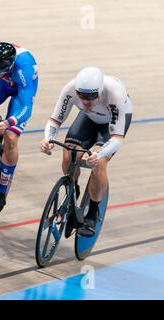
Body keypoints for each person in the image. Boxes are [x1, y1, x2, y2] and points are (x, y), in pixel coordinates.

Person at [40, 67, 133, 237]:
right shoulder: (70, 89)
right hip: (89, 118)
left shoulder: (115, 95)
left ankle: (93, 212)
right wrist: (48, 139)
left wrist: (97, 154)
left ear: (100, 92)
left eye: (90, 97)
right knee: (69, 154)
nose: (85, 102)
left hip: (112, 125)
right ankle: (72, 192)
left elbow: (117, 138)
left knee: (98, 164)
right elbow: (55, 120)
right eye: (82, 96)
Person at [0, 42, 39, 220]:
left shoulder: (24, 69)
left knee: (10, 137)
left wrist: (8, 122)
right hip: (3, 85)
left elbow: (26, 107)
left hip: (21, 91)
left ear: (10, 65)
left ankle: (2, 190)